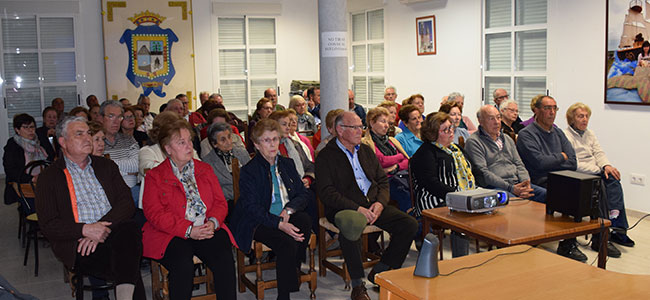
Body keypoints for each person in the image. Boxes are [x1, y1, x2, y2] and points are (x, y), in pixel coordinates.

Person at [35, 116, 145, 300]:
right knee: (128, 258)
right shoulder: (49, 177)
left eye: (88, 133)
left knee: (129, 231)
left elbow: (126, 201)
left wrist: (101, 228)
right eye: (79, 134)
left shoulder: (106, 166)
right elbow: (48, 224)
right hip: (80, 244)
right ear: (62, 142)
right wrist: (85, 230)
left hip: (114, 231)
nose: (87, 138)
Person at [315, 112, 418, 300]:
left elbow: (382, 181)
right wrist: (357, 208)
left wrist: (380, 203)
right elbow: (327, 192)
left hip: (372, 204)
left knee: (409, 224)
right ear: (340, 130)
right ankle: (357, 285)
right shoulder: (326, 156)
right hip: (344, 208)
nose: (360, 131)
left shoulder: (365, 150)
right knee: (351, 224)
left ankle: (382, 270)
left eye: (361, 126)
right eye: (354, 127)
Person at [141, 119, 237, 300]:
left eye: (190, 141)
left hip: (205, 227)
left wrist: (213, 222)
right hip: (172, 233)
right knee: (182, 263)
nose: (189, 146)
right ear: (168, 149)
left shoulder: (205, 169)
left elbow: (220, 202)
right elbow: (155, 214)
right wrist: (188, 230)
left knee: (224, 255)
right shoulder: (155, 176)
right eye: (181, 142)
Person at [230, 119, 312, 300]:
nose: (272, 144)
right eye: (266, 140)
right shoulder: (249, 171)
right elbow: (252, 208)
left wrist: (289, 210)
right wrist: (278, 224)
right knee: (286, 243)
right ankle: (284, 295)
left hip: (284, 215)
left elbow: (303, 195)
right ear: (257, 145)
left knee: (305, 220)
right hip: (258, 221)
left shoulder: (287, 164)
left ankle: (293, 267)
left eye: (275, 139)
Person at [516, 95, 585, 262]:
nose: (552, 112)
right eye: (547, 108)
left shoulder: (558, 132)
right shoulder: (527, 134)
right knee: (569, 193)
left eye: (555, 108)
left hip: (562, 176)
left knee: (595, 187)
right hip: (541, 179)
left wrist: (554, 160)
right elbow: (539, 163)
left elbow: (573, 162)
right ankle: (567, 244)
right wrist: (561, 157)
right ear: (536, 111)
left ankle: (600, 237)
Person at [564, 102, 634, 254]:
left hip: (597, 170)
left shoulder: (590, 134)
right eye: (580, 116)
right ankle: (601, 237)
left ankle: (617, 229)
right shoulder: (566, 136)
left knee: (614, 178)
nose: (584, 119)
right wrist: (599, 170)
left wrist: (606, 166)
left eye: (586, 116)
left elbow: (599, 153)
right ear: (572, 119)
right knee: (601, 186)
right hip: (581, 173)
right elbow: (574, 163)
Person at [410, 112, 476, 257]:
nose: (451, 132)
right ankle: (460, 259)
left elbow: (475, 171)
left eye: (450, 128)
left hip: (459, 195)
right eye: (445, 130)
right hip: (434, 200)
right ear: (434, 133)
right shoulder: (426, 152)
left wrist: (478, 190)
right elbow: (431, 183)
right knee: (462, 216)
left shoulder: (456, 150)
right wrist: (457, 195)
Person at [464, 105, 546, 203]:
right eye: (491, 118)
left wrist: (526, 183)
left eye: (498, 117)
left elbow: (519, 163)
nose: (497, 122)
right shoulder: (474, 142)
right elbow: (483, 173)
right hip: (495, 187)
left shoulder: (507, 139)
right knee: (514, 202)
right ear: (480, 121)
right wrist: (511, 188)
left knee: (549, 196)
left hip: (518, 183)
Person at [138, 112, 200, 208]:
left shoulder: (188, 149)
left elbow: (200, 167)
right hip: (159, 203)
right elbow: (149, 169)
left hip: (188, 200)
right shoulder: (147, 151)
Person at [361, 107, 411, 213]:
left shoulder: (391, 141)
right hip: (382, 182)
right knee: (404, 193)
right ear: (372, 123)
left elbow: (407, 161)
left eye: (388, 122)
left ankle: (423, 224)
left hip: (399, 175)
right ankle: (415, 227)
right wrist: (399, 157)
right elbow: (381, 161)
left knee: (418, 190)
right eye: (383, 121)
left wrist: (396, 167)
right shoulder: (366, 143)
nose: (386, 126)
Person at [202, 122, 250, 216]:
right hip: (227, 202)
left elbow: (253, 176)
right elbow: (214, 191)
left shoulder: (242, 153)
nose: (228, 142)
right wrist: (236, 193)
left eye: (229, 137)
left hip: (248, 197)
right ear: (214, 144)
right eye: (223, 140)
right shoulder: (208, 162)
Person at [3, 114, 49, 207]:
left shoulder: (40, 140)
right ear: (17, 130)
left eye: (32, 127)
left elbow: (50, 159)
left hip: (43, 180)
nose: (30, 130)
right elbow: (11, 170)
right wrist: (32, 178)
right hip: (24, 182)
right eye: (25, 127)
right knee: (37, 205)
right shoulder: (13, 145)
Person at [100, 101, 140, 205]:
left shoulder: (129, 139)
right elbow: (102, 171)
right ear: (101, 118)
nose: (116, 121)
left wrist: (110, 163)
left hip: (131, 191)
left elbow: (137, 165)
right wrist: (128, 173)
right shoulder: (96, 142)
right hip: (107, 194)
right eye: (111, 116)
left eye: (119, 117)